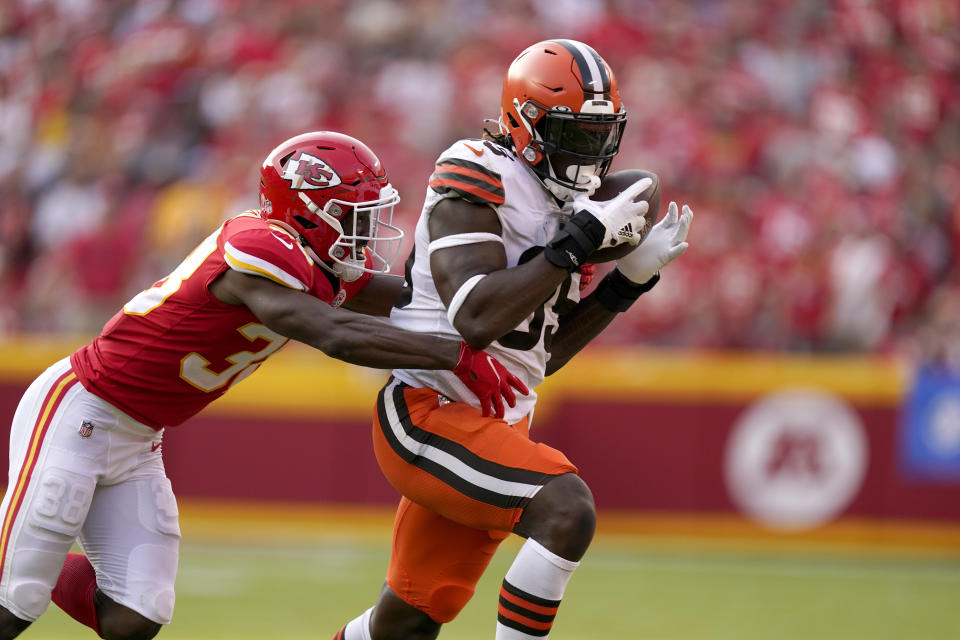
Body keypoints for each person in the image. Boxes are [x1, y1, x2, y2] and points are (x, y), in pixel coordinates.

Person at [0, 131, 528, 640]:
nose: (369, 230)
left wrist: (488, 300)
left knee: (134, 615)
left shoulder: (318, 259)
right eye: (356, 214)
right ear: (308, 209)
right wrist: (454, 355)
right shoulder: (261, 246)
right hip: (81, 409)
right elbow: (331, 331)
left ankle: (30, 553)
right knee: (15, 600)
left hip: (139, 437)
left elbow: (406, 300)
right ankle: (25, 558)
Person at [332, 39, 693, 640]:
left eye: (602, 136)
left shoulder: (568, 202)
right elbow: (476, 318)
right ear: (526, 121)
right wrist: (575, 243)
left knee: (405, 624)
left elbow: (538, 356)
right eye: (575, 135)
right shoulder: (476, 173)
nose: (592, 154)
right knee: (566, 509)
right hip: (428, 411)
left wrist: (625, 283)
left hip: (495, 421)